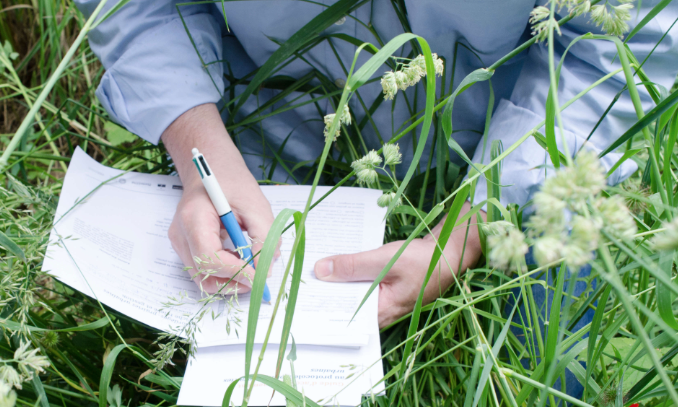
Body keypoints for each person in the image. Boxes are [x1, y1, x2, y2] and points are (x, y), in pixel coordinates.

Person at [74, 0, 677, 329]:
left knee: (549, 350)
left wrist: (468, 231)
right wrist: (201, 150)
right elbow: (137, 6)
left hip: (515, 154)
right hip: (268, 151)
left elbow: (623, 48)